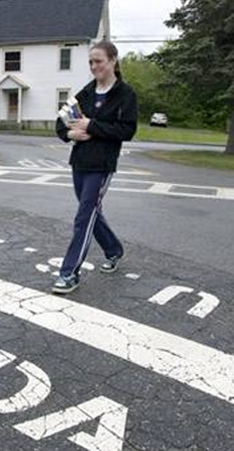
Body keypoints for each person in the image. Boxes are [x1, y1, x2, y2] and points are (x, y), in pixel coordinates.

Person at [52, 40, 138, 295]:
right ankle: (113, 249)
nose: (94, 66)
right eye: (91, 62)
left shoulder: (125, 94)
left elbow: (127, 130)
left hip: (102, 165)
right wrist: (70, 136)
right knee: (90, 212)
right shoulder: (86, 92)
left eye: (98, 61)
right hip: (79, 161)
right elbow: (61, 123)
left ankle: (69, 273)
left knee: (84, 215)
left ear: (112, 61)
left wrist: (91, 126)